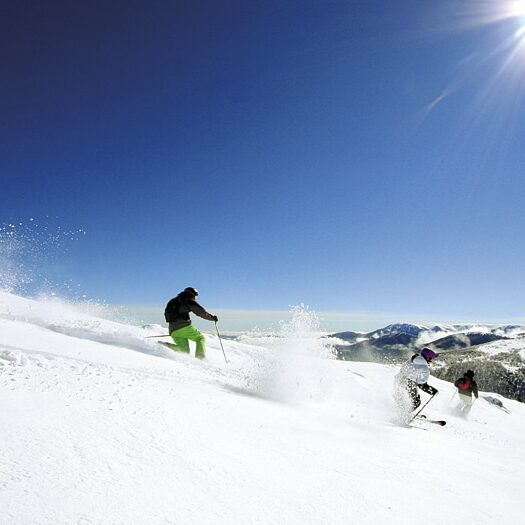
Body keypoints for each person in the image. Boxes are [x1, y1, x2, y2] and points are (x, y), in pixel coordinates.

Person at [164, 287, 218, 359]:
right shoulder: (188, 300)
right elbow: (200, 312)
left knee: (184, 351)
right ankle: (200, 357)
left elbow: (166, 314)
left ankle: (164, 346)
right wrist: (212, 318)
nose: (195, 298)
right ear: (191, 294)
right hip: (184, 326)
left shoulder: (172, 301)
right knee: (200, 338)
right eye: (195, 296)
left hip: (172, 329)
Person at [394, 347, 439, 416]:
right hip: (408, 383)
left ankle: (396, 410)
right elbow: (422, 385)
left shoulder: (412, 359)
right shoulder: (424, 369)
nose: (432, 361)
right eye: (431, 359)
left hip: (398, 379)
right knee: (416, 402)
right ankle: (402, 415)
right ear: (427, 358)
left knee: (403, 398)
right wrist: (433, 391)